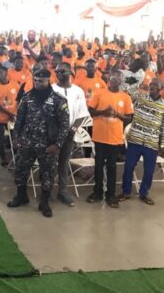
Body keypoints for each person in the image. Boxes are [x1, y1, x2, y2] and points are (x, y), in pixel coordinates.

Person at [7, 68, 70, 218]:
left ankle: (44, 202)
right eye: (35, 80)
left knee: (47, 174)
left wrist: (58, 145)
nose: (37, 83)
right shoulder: (27, 97)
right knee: (21, 170)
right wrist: (16, 137)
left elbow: (64, 125)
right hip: (27, 142)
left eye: (41, 81)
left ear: (49, 80)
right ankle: (21, 196)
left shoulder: (58, 100)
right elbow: (19, 119)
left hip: (48, 145)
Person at [87, 69, 133, 208]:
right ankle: (97, 192)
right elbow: (90, 111)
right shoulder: (99, 93)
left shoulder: (126, 97)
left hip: (115, 138)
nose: (116, 80)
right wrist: (103, 112)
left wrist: (117, 114)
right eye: (114, 78)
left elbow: (129, 118)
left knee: (112, 167)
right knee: (98, 166)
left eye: (119, 78)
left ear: (122, 81)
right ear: (109, 79)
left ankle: (111, 195)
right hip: (99, 137)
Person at [118, 79, 164, 205]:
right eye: (151, 84)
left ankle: (144, 193)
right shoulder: (140, 98)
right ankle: (126, 192)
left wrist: (162, 146)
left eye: (155, 85)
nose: (152, 86)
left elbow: (163, 128)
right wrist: (138, 85)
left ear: (161, 89)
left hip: (151, 143)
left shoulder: (163, 106)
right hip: (135, 140)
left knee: (149, 171)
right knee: (128, 167)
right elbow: (125, 91)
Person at [51, 62, 90, 207]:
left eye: (63, 71)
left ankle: (62, 190)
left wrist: (73, 128)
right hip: (53, 134)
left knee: (64, 162)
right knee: (49, 162)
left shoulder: (78, 91)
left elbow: (82, 112)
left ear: (70, 72)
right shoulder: (51, 90)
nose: (59, 74)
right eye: (57, 71)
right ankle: (46, 189)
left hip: (70, 132)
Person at [0, 66, 19, 166]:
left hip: (13, 118)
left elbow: (18, 100)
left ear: (6, 73)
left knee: (14, 137)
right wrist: (9, 114)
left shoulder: (15, 85)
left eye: (0, 73)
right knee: (1, 138)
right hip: (0, 118)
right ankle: (3, 158)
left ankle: (16, 156)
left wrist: (14, 114)